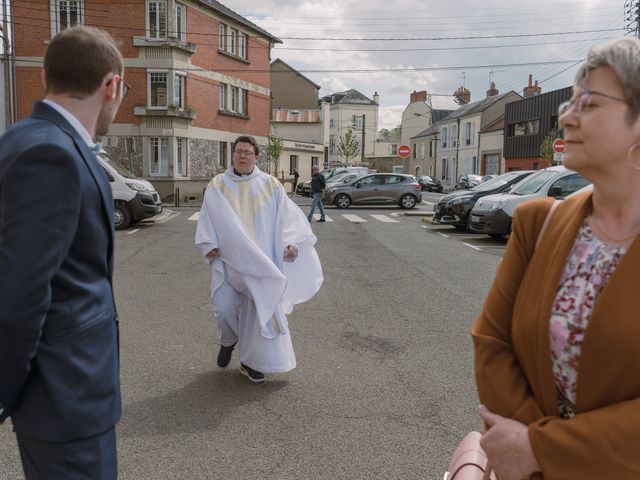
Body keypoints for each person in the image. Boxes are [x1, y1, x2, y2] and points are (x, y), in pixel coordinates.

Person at [472, 37, 640, 479]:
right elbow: (492, 341)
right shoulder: (537, 222)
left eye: (588, 102)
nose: (566, 116)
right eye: (570, 101)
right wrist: (523, 451)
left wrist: (539, 449)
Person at [0, 26, 127, 479]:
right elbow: (18, 293)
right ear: (111, 85)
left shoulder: (22, 138)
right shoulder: (51, 153)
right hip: (65, 396)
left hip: (60, 396)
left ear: (44, 79)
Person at [195, 136, 323, 382]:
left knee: (257, 317)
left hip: (262, 265)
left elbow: (287, 218)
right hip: (230, 264)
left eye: (247, 152)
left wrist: (292, 243)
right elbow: (207, 217)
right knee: (224, 309)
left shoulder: (271, 185)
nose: (242, 156)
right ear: (232, 156)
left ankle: (249, 362)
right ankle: (228, 340)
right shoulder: (217, 185)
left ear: (256, 157)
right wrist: (208, 243)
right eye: (238, 152)